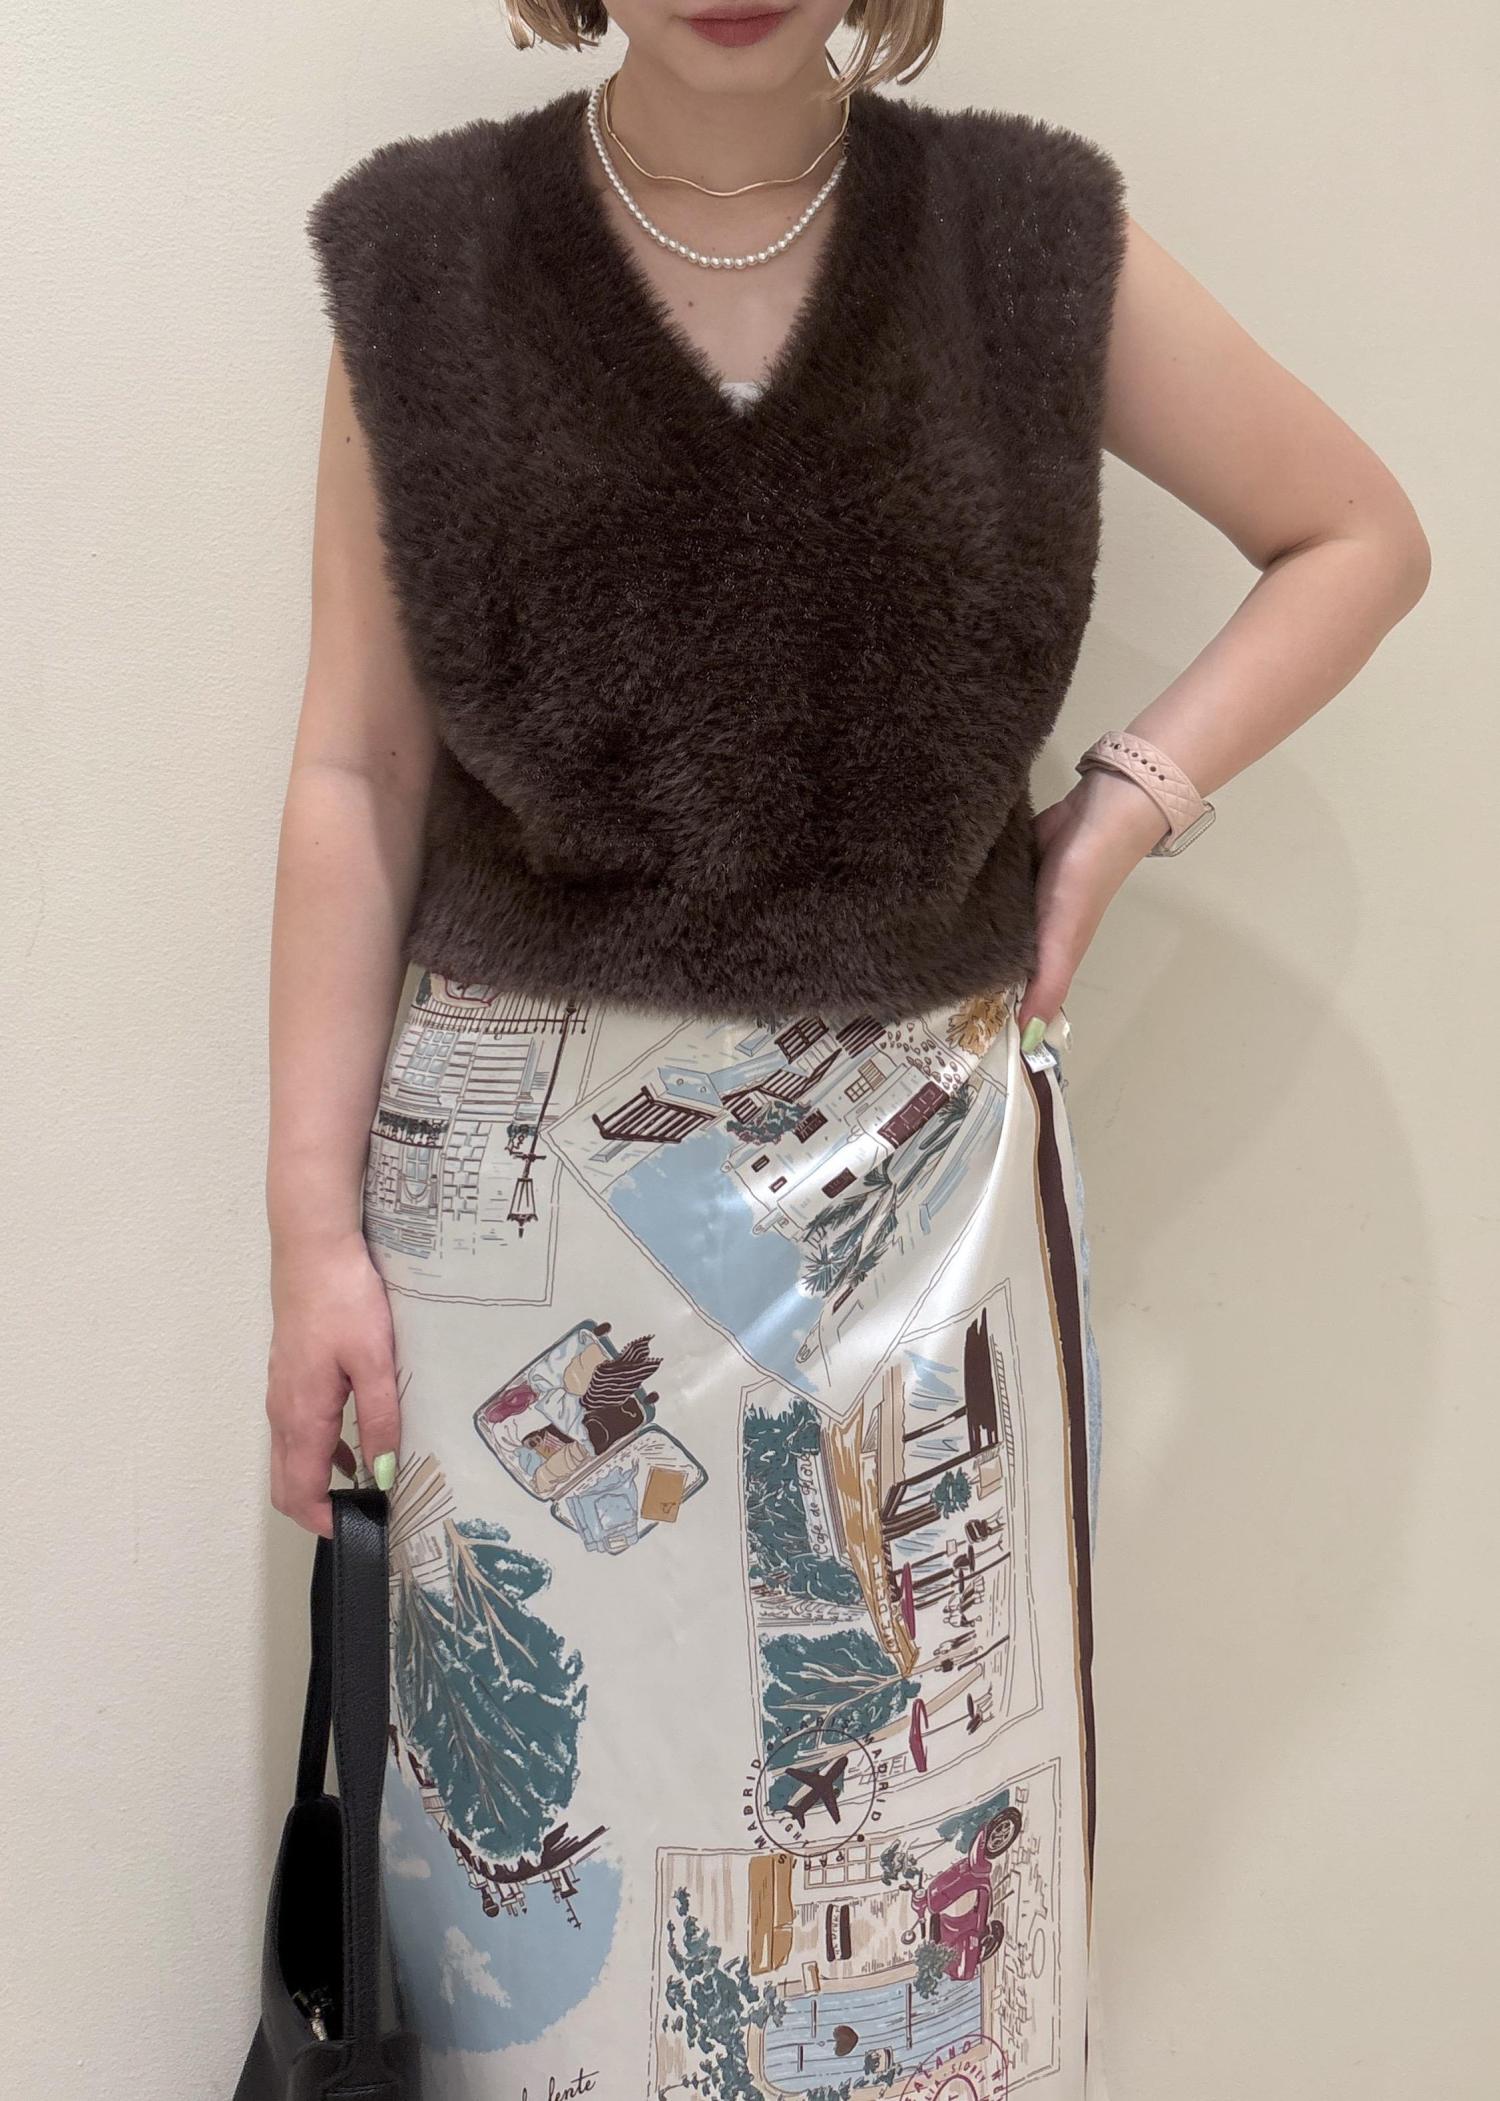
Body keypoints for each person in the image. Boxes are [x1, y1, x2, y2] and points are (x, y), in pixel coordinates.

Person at [264, 3, 1430, 2092]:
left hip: (916, 1236)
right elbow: (358, 769)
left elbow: (1357, 532)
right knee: (530, 1942)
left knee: (915, 1922)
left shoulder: (1026, 241)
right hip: (514, 1248)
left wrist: (1125, 807)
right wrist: (307, 1239)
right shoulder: (424, 262)